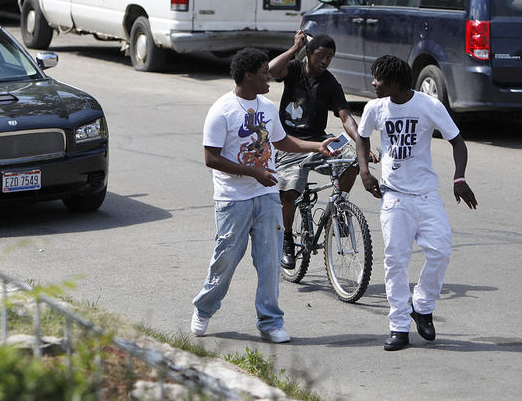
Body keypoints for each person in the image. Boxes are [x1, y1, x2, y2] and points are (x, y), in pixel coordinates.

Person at [191, 47, 336, 343]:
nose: (270, 78)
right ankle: (204, 309)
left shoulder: (268, 108)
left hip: (267, 195)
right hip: (234, 199)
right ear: (248, 76)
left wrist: (316, 146)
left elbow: (282, 141)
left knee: (269, 262)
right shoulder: (222, 110)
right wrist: (254, 172)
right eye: (264, 74)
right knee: (226, 260)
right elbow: (211, 158)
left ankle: (270, 322)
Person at [354, 55, 478, 351]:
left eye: (378, 79)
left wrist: (459, 177)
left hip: (426, 196)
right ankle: (398, 326)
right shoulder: (375, 108)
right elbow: (362, 138)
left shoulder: (428, 106)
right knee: (396, 261)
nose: (373, 83)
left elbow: (457, 141)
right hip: (394, 197)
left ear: (395, 82)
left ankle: (422, 306)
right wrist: (364, 171)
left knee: (440, 251)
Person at [269, 30, 361, 269]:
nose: (325, 61)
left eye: (330, 57)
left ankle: (340, 205)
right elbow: (270, 70)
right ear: (309, 53)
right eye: (321, 55)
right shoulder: (295, 69)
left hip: (320, 140)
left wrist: (361, 142)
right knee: (289, 191)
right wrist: (294, 48)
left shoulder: (331, 83)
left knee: (353, 159)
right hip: (289, 142)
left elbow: (346, 117)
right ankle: (286, 240)